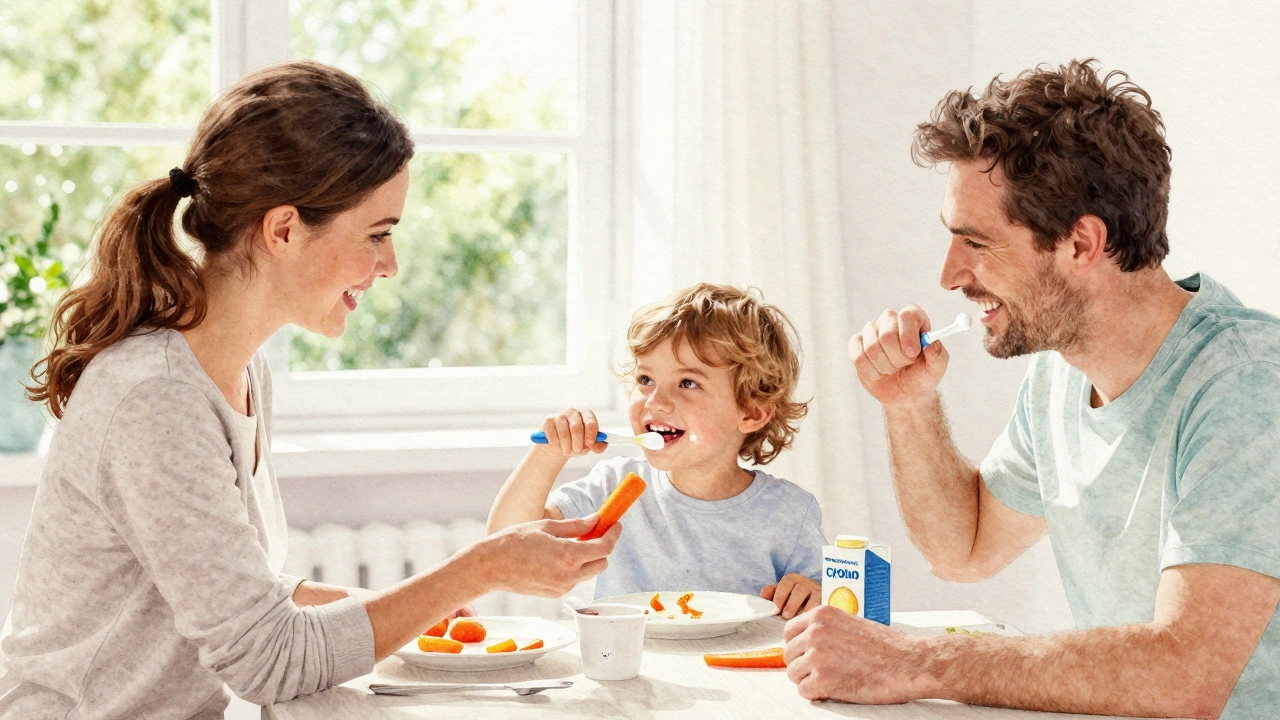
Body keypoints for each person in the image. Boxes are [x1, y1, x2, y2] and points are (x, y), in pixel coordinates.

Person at [0, 61, 619, 718]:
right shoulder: (156, 398)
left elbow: (234, 594)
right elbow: (268, 661)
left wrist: (417, 606)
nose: (391, 265)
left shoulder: (235, 368)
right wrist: (477, 570)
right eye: (377, 234)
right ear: (284, 229)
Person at [783, 59, 1280, 718]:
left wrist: (913, 660)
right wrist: (910, 406)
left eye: (975, 242)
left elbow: (1184, 678)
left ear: (1081, 243)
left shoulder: (1245, 387)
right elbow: (964, 548)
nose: (949, 273)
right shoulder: (1059, 373)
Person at [488, 283, 827, 618]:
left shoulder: (790, 513)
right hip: (630, 669)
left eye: (688, 383)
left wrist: (814, 594)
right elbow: (505, 544)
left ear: (751, 412)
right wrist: (548, 455)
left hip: (733, 672)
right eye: (646, 379)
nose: (656, 401)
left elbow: (833, 606)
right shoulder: (616, 486)